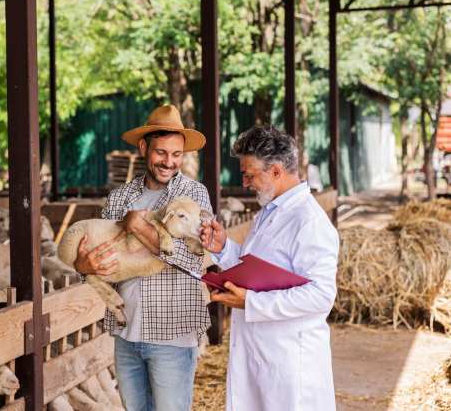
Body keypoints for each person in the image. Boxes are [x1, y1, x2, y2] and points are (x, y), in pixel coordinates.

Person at [73, 104, 213, 411]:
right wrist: (83, 267)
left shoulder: (194, 196)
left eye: (176, 154)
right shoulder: (119, 198)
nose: (169, 162)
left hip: (172, 335)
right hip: (127, 334)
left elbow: (193, 261)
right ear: (143, 148)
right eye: (161, 152)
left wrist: (138, 226)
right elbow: (102, 256)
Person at [200, 126, 339, 411]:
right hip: (263, 355)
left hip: (290, 361)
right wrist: (224, 248)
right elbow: (256, 270)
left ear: (276, 171)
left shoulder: (309, 221)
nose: (245, 182)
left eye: (249, 174)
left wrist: (251, 302)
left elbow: (321, 295)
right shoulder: (269, 211)